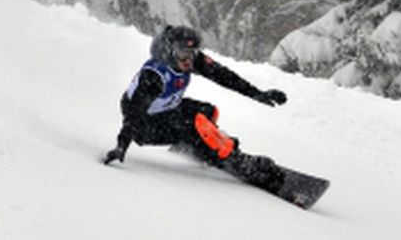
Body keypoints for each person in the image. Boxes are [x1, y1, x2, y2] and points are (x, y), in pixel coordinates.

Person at [103, 25, 288, 189]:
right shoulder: (154, 76)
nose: (189, 61)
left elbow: (224, 76)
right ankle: (234, 160)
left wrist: (258, 94)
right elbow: (134, 115)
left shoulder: (189, 59)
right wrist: (121, 146)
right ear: (169, 52)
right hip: (143, 126)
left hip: (167, 110)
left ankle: (207, 148)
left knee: (208, 112)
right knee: (195, 125)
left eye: (192, 54)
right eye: (183, 54)